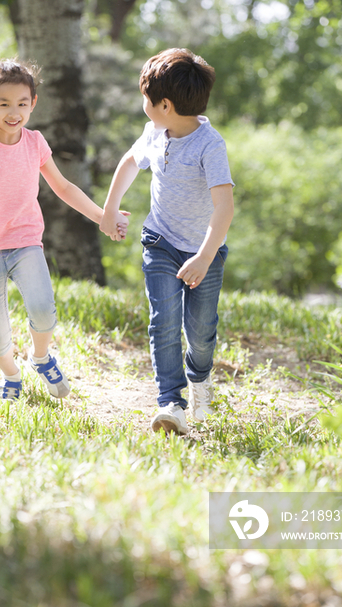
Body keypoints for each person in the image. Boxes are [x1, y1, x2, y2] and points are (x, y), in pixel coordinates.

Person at [0, 59, 129, 401]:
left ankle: (40, 357)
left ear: (33, 103)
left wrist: (103, 215)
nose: (13, 112)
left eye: (22, 104)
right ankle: (11, 376)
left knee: (43, 309)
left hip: (25, 241)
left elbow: (64, 187)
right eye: (3, 104)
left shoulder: (35, 143)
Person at [100, 48, 234, 435]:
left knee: (201, 332)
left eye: (146, 97)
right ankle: (170, 403)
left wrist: (206, 257)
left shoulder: (211, 145)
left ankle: (200, 379)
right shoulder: (155, 131)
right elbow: (130, 162)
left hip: (204, 252)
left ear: (164, 104)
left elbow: (224, 208)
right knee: (164, 321)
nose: (143, 104)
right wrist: (110, 208)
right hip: (160, 241)